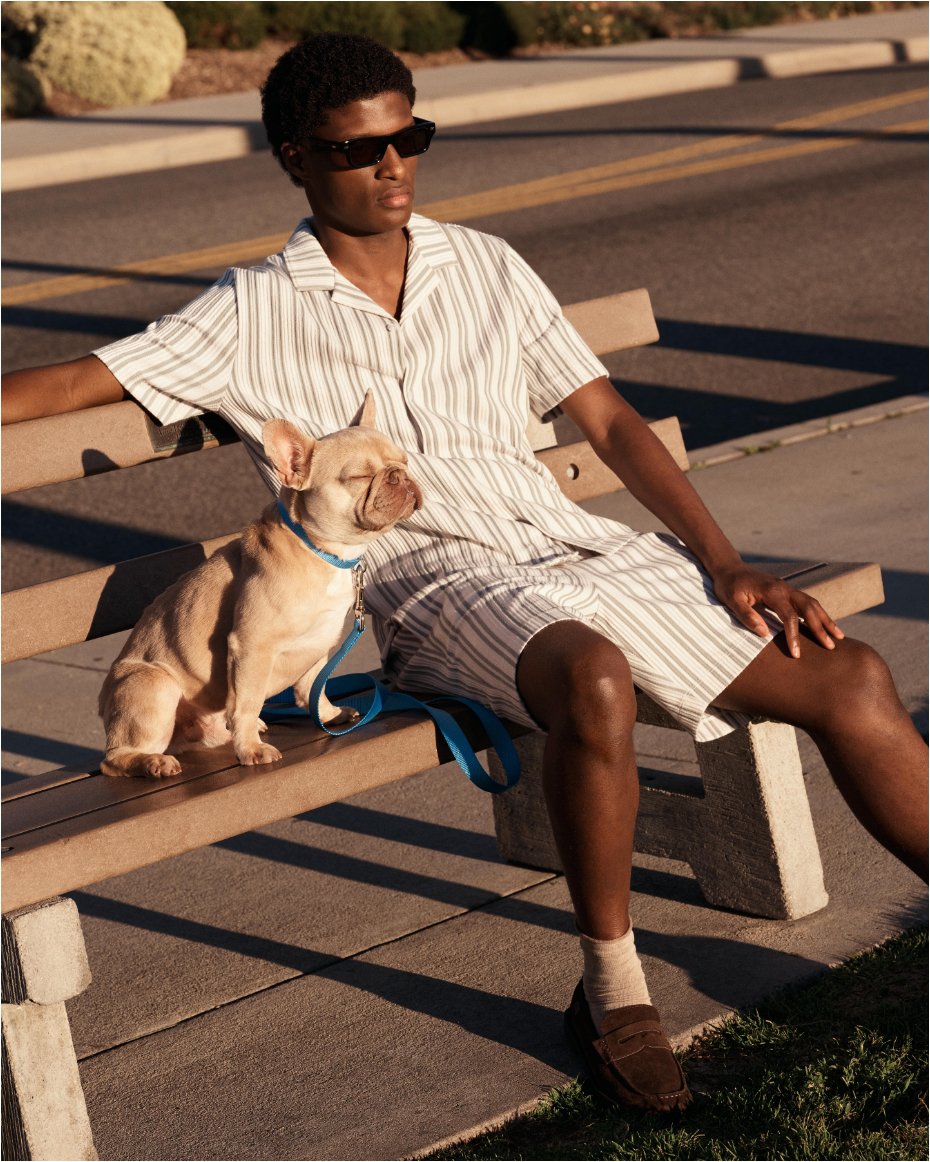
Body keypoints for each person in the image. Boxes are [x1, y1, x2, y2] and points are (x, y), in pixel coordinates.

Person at [3, 33, 926, 1113]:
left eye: (410, 137)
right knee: (593, 678)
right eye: (362, 150)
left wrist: (725, 564)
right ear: (297, 157)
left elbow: (609, 419)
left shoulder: (485, 263)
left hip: (575, 547)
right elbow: (71, 383)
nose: (393, 166)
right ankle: (615, 994)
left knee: (849, 673)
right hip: (427, 585)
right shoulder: (249, 310)